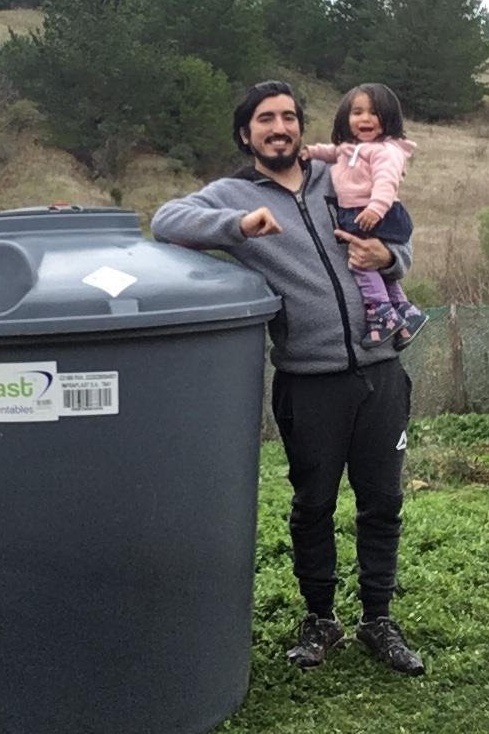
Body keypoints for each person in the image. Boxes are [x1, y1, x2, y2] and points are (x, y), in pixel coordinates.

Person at [151, 81, 424, 676]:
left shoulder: (340, 172)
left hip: (381, 372)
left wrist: (390, 259)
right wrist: (238, 227)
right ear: (246, 133)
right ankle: (321, 618)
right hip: (309, 380)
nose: (280, 127)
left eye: (289, 117)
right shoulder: (232, 192)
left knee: (383, 501)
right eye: (265, 119)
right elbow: (166, 218)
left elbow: (398, 235)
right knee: (313, 505)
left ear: (303, 127)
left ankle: (378, 618)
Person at [302, 83, 428, 349]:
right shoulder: (349, 149)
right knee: (377, 268)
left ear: (388, 118)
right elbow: (330, 151)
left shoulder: (387, 151)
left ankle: (382, 313)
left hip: (379, 213)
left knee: (361, 262)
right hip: (359, 213)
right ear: (346, 118)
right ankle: (406, 312)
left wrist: (375, 208)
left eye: (374, 112)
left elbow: (386, 181)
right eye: (357, 112)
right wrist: (310, 152)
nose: (365, 118)